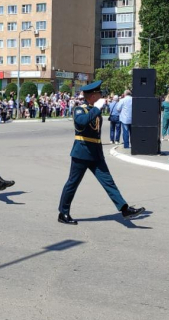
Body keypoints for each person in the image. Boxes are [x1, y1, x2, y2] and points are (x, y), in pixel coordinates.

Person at [57, 80, 144, 225]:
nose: (101, 95)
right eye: (98, 93)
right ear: (92, 96)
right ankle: (63, 213)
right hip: (82, 152)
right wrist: (96, 108)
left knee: (108, 182)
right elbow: (81, 122)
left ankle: (124, 209)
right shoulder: (80, 109)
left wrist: (97, 108)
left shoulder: (94, 109)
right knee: (73, 183)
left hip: (96, 153)